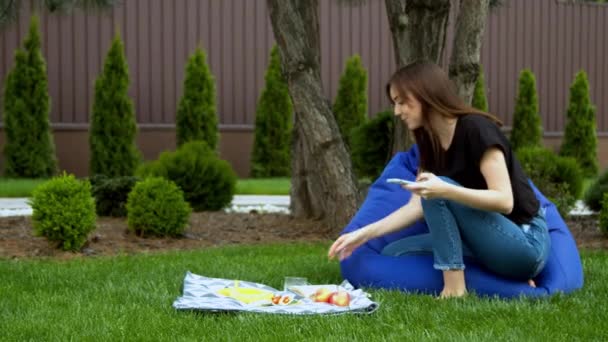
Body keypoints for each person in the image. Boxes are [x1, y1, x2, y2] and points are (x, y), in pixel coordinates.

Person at [328, 61, 551, 298]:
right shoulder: (429, 143)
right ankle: (506, 284)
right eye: (395, 103)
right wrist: (362, 235)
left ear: (425, 96)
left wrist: (444, 190)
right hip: (484, 242)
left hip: (525, 242)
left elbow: (504, 200)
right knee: (396, 252)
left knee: (434, 191)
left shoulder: (477, 129)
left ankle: (454, 289)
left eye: (402, 102)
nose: (396, 111)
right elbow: (414, 207)